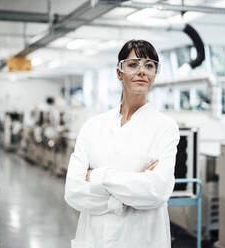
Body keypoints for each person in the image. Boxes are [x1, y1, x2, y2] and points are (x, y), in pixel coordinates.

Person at [64, 39, 180, 248]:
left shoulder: (165, 127)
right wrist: (134, 184)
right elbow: (73, 191)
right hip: (94, 238)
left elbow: (156, 191)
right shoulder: (93, 126)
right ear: (119, 73)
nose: (142, 71)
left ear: (154, 74)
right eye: (133, 64)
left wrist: (98, 176)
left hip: (141, 239)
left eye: (149, 65)